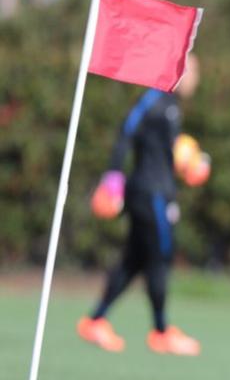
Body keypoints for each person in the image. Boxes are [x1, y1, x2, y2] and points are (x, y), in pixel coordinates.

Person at [77, 54, 204, 355]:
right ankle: (161, 331)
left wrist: (190, 163)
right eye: (194, 70)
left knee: (134, 259)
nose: (197, 77)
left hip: (157, 190)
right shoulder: (156, 98)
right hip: (150, 194)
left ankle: (95, 320)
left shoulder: (171, 106)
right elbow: (127, 129)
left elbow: (165, 154)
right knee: (160, 257)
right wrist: (113, 176)